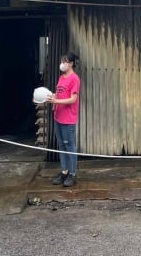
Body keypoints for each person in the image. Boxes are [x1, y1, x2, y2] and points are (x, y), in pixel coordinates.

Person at [47, 51, 80, 187]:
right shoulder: (62, 78)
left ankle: (72, 174)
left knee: (69, 146)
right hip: (58, 117)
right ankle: (64, 171)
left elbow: (73, 99)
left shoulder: (75, 79)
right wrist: (50, 96)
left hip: (68, 119)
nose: (62, 64)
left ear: (71, 63)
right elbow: (59, 94)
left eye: (65, 61)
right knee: (61, 146)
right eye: (62, 61)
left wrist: (56, 101)